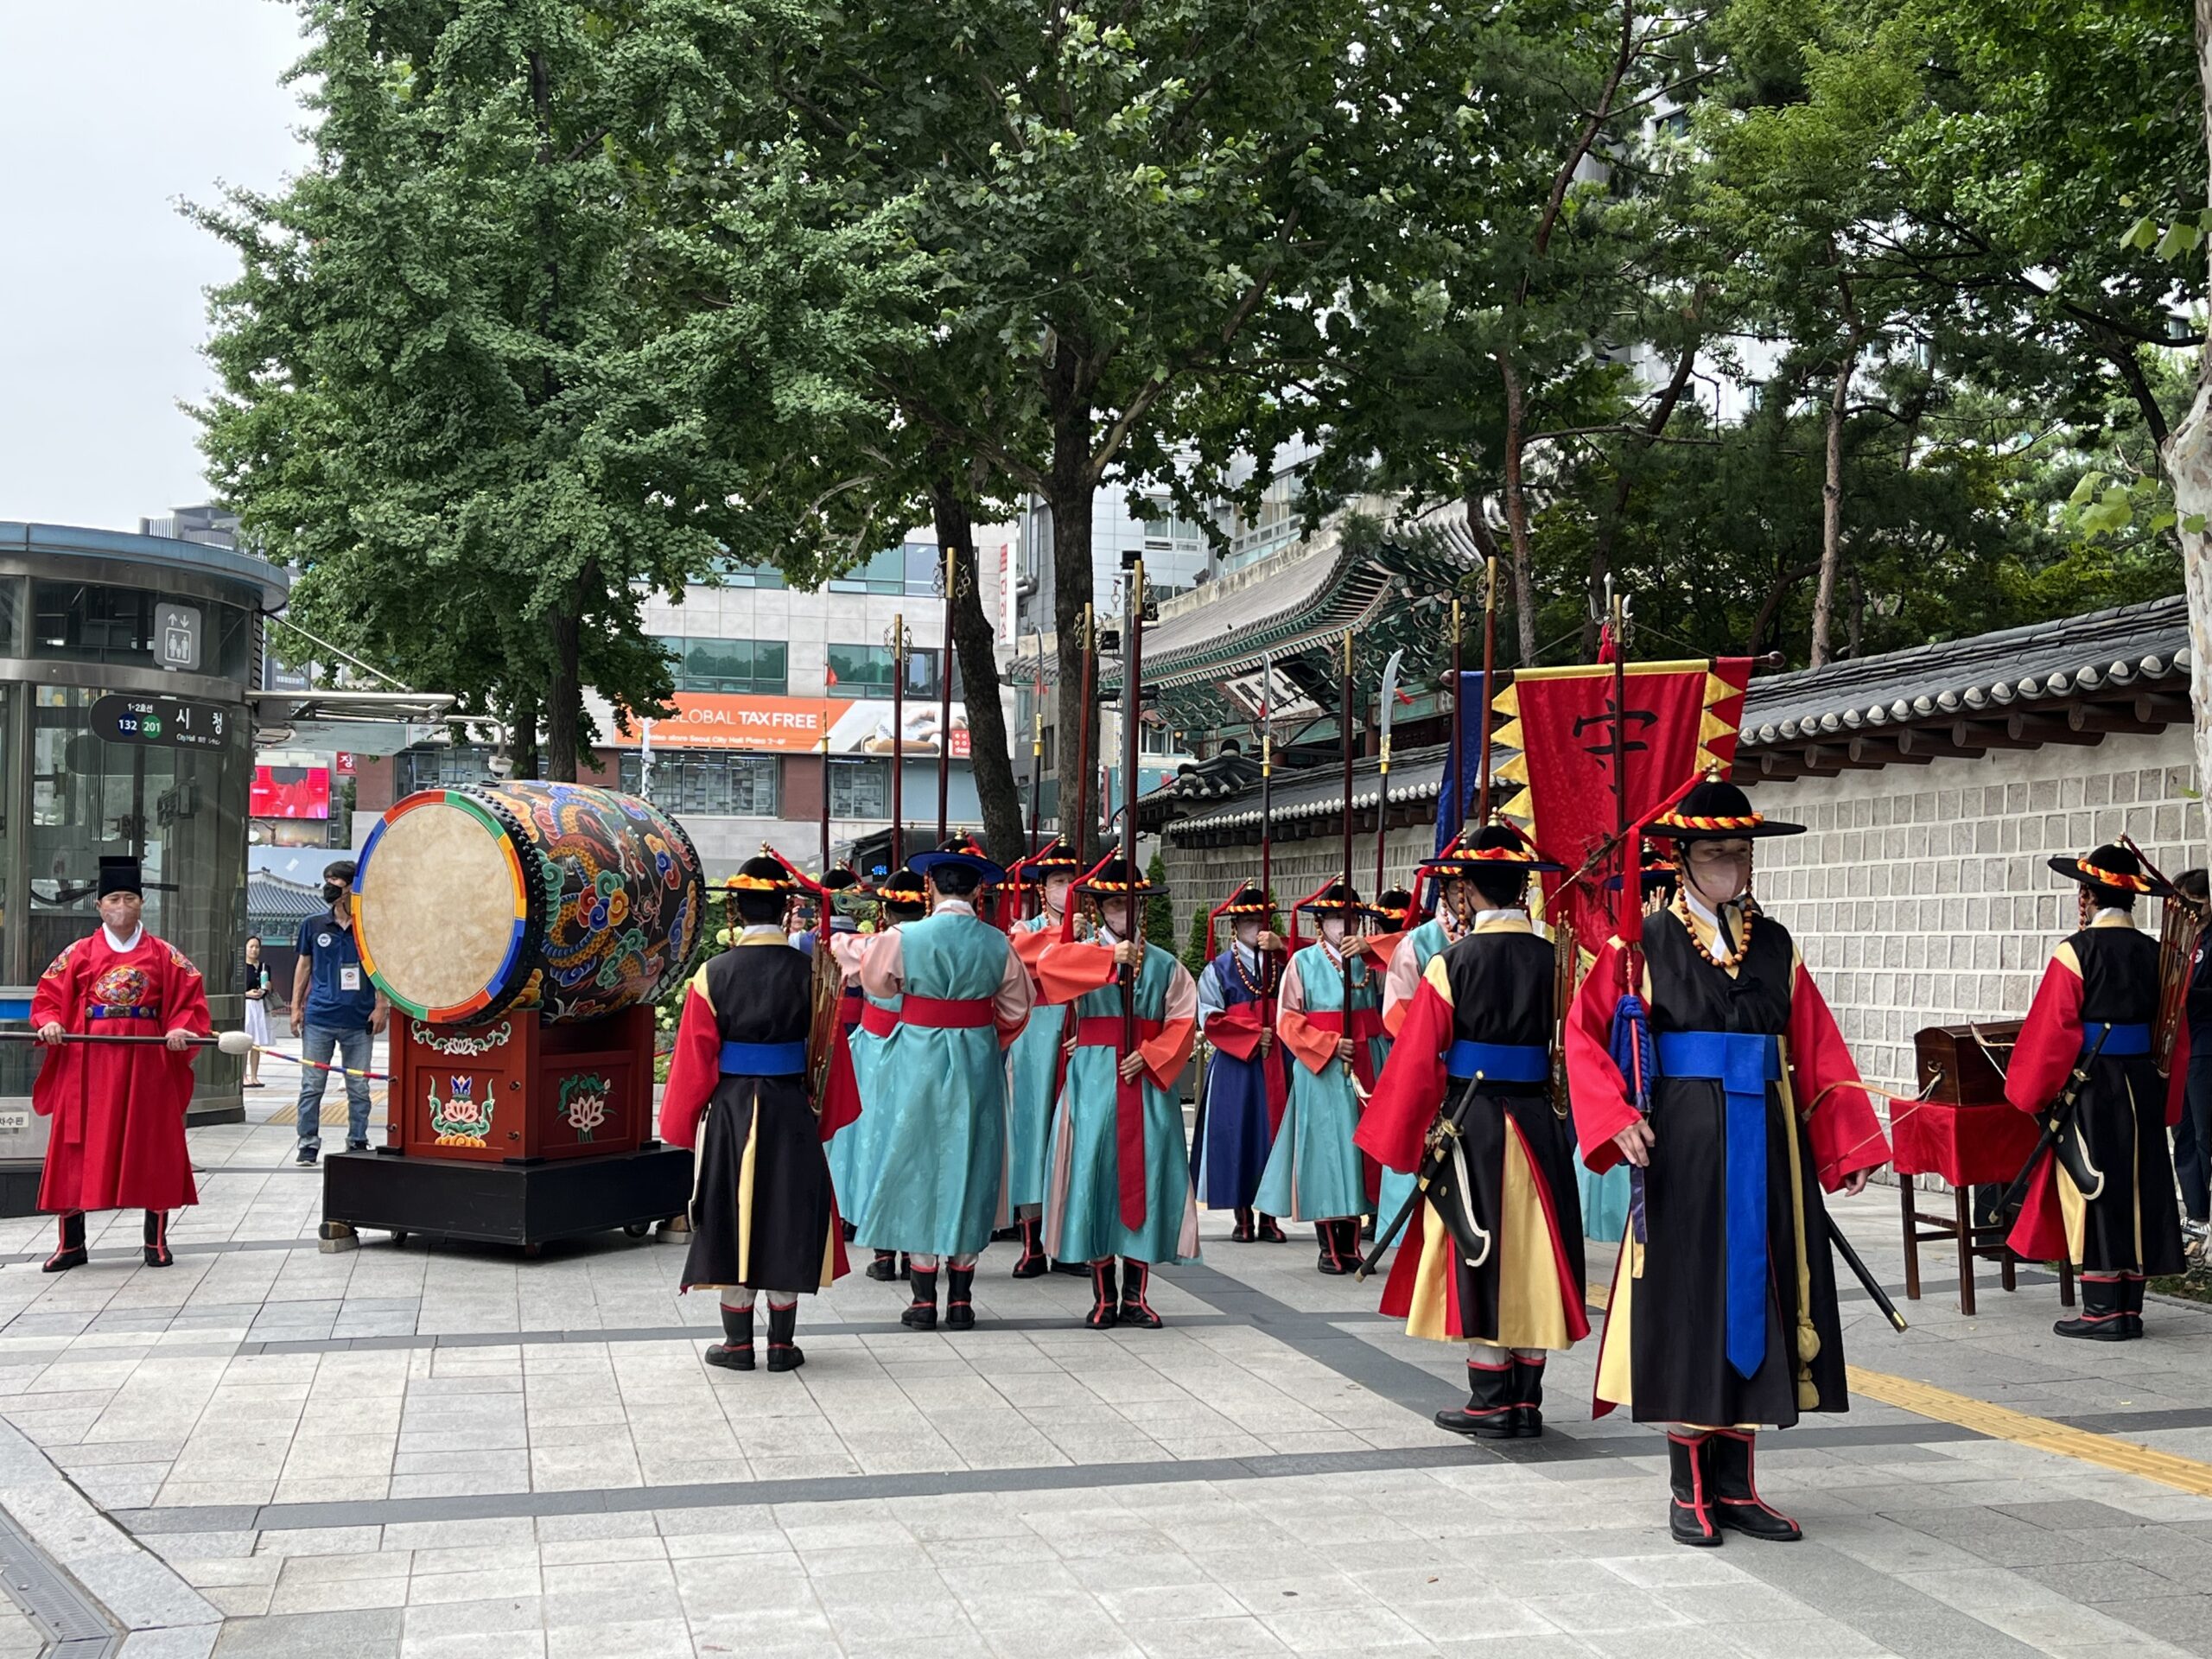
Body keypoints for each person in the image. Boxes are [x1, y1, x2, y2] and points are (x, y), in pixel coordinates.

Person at [1565, 779, 1887, 1548]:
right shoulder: (1638, 946)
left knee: (1768, 1290)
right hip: (1685, 1147)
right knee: (1692, 1296)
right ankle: (1688, 1489)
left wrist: (1848, 1141)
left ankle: (1739, 1485)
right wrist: (1618, 1118)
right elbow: (1584, 1037)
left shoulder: (1775, 945)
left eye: (1740, 854)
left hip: (1771, 1144)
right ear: (1680, 860)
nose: (1731, 868)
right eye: (1715, 854)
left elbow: (1814, 1046)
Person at [1357, 823, 1586, 1437]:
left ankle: (1489, 1398)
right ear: (1522, 888)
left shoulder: (1451, 963)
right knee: (1536, 1250)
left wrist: (1398, 1137)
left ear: (1470, 894)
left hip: (1474, 1120)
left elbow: (1417, 1058)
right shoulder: (1558, 961)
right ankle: (1528, 1398)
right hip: (1540, 1118)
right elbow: (1578, 1048)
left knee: (1477, 1246)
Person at [660, 856, 848, 1373]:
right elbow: (831, 1056)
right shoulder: (812, 974)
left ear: (736, 911)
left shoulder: (711, 974)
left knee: (730, 1211)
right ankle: (783, 1346)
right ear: (788, 909)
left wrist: (680, 1123)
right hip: (790, 1107)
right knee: (786, 1214)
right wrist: (823, 1116)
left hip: (733, 1111)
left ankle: (737, 1344)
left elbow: (694, 1060)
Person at [2005, 842, 2189, 1338]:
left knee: (2096, 1187)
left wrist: (2029, 1093)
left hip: (2092, 1083)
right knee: (2141, 1185)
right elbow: (2175, 1034)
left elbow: (2052, 1033)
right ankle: (2130, 1307)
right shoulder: (2159, 954)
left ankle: (2103, 1310)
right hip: (2144, 1081)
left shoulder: (2075, 951)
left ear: (2087, 894)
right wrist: (2168, 1100)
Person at [854, 841, 1032, 1332]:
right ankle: (961, 1298)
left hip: (917, 1056)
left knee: (916, 1163)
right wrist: (984, 1036)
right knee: (970, 1163)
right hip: (975, 1057)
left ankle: (921, 1298)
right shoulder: (999, 944)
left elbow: (876, 985)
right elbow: (1018, 1009)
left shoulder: (902, 937)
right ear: (978, 891)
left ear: (929, 886)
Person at [1035, 856, 1204, 1326]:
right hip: (1093, 1078)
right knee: (1093, 1173)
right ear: (1098, 909)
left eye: (1128, 906)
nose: (1120, 914)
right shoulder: (1081, 952)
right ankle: (1103, 1294)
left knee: (1149, 1173)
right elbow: (1049, 969)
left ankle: (1136, 1294)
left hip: (1145, 1078)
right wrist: (1109, 959)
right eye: (1112, 904)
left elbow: (1184, 1020)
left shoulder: (1167, 966)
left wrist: (1152, 1054)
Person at [30, 857, 208, 1270]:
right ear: (99, 906)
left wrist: (181, 1028)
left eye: (129, 898)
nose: (122, 906)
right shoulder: (78, 952)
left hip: (147, 1061)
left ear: (141, 904)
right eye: (113, 899)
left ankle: (156, 1241)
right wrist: (51, 1022)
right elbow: (48, 998)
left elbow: (189, 1003)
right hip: (88, 1059)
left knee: (153, 1142)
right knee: (76, 1147)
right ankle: (71, 1243)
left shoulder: (165, 954)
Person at [1255, 880, 1379, 1274]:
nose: (1346, 927)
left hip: (1363, 1059)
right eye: (1337, 919)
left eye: (1352, 919)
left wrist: (1374, 950)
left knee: (1359, 1152)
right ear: (1321, 922)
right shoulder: (1303, 963)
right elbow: (1288, 1019)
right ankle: (1328, 1243)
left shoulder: (1368, 962)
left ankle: (1353, 1238)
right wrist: (1326, 1043)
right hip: (1320, 1066)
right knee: (1327, 1150)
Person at [832, 868, 928, 1281]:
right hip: (918, 1050)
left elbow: (835, 943)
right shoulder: (926, 946)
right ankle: (912, 1248)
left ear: (886, 912)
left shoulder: (871, 945)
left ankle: (884, 1252)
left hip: (873, 1053)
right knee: (911, 1147)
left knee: (874, 1148)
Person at [1005, 836, 1086, 1274]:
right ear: (1042, 888)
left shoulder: (1092, 934)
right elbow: (1032, 959)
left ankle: (1072, 1238)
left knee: (1077, 1136)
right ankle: (1032, 1241)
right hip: (1036, 1037)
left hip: (1080, 1034)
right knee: (1030, 1135)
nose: (1066, 887)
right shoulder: (1025, 930)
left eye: (1073, 880)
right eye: (1058, 880)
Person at [1192, 882, 1289, 1243]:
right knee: (1238, 1135)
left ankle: (1270, 1216)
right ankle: (1242, 1214)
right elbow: (1208, 1017)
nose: (1257, 930)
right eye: (1249, 923)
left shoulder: (1283, 962)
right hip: (1237, 1063)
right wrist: (1250, 1035)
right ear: (1235, 926)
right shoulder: (1218, 969)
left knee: (1272, 1135)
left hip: (1276, 1060)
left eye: (1263, 923)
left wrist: (1283, 949)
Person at [289, 859, 388, 1165]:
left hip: (359, 1020)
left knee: (359, 1086)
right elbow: (304, 965)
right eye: (326, 880)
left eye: (334, 881)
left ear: (350, 887)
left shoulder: (370, 926)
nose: (328, 887)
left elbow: (381, 968)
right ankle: (308, 1142)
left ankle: (357, 1138)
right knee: (312, 1085)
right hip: (320, 1017)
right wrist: (296, 1007)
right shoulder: (314, 924)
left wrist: (381, 1005)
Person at [2172, 868, 2209, 1242]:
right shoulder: (2183, 937)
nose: (2191, 912)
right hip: (2180, 1046)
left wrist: (2186, 995)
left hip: (2204, 1045)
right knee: (2181, 1131)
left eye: (2196, 904)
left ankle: (2206, 1213)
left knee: (2203, 1133)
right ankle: (2195, 1211)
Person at [241, 937, 271, 1089]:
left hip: (259, 1006)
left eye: (257, 947)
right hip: (246, 1005)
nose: (254, 950)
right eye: (251, 946)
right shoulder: (240, 967)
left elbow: (267, 987)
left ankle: (254, 1075)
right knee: (245, 1041)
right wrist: (247, 993)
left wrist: (264, 990)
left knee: (256, 1043)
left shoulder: (265, 967)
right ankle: (243, 1076)